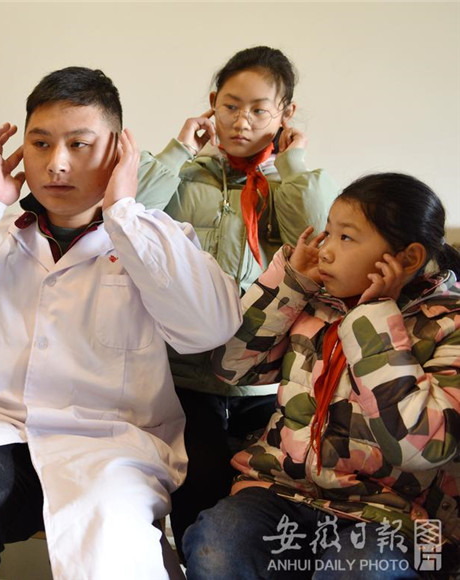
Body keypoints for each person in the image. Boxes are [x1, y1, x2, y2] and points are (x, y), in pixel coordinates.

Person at [0, 66, 243, 580]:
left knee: (110, 557)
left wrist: (124, 213)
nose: (57, 163)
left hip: (113, 446)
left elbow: (208, 328)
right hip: (0, 434)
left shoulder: (152, 239)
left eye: (79, 144)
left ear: (117, 151)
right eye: (41, 143)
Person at [183, 173, 460, 578]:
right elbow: (230, 366)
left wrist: (373, 318)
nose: (326, 250)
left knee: (359, 569)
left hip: (398, 513)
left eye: (346, 238)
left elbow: (422, 446)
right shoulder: (319, 303)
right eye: (328, 232)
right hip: (286, 491)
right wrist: (290, 284)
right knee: (216, 547)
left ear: (408, 258)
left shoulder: (448, 324)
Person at [136, 46, 338, 552]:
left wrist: (292, 164)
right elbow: (124, 216)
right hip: (182, 375)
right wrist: (178, 151)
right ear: (212, 104)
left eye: (259, 110)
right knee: (195, 491)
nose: (241, 121)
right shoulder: (184, 176)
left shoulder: (289, 183)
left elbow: (320, 243)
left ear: (286, 113)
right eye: (230, 106)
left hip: (264, 381)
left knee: (257, 510)